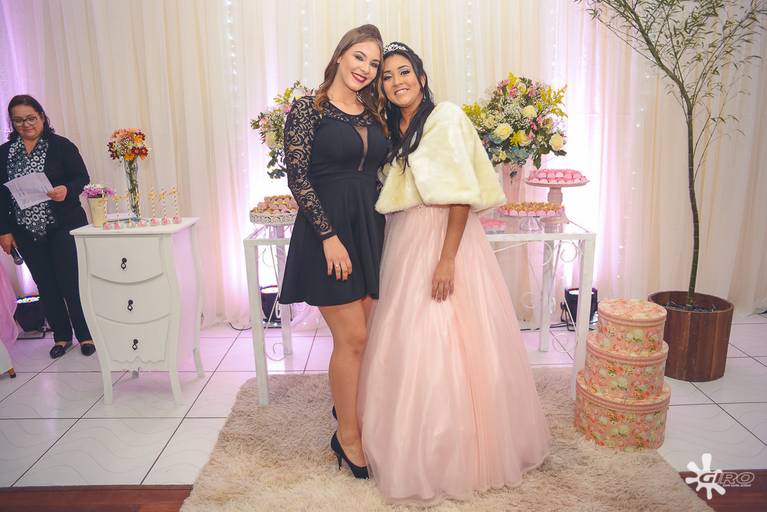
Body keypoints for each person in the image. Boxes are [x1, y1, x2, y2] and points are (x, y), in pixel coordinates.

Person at [358, 43, 551, 504]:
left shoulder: (444, 117)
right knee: (406, 336)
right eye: (387, 76)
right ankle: (407, 440)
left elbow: (461, 194)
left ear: (421, 78)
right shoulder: (394, 128)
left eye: (405, 72)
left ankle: (457, 451)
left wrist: (446, 260)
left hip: (444, 236)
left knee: (447, 334)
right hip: (405, 237)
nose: (397, 81)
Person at [278, 25, 388, 479]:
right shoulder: (309, 109)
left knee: (365, 339)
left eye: (374, 64)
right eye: (359, 57)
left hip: (370, 230)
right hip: (329, 233)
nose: (366, 69)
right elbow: (297, 176)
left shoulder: (374, 113)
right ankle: (347, 436)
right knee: (353, 338)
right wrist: (328, 235)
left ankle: (350, 411)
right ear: (340, 55)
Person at [0, 95, 94, 359]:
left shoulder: (61, 146)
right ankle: (62, 336)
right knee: (46, 284)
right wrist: (4, 231)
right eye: (18, 120)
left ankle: (85, 335)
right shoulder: (4, 153)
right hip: (25, 230)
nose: (26, 124)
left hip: (64, 224)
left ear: (42, 116)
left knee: (71, 282)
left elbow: (82, 177)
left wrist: (67, 190)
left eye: (31, 118)